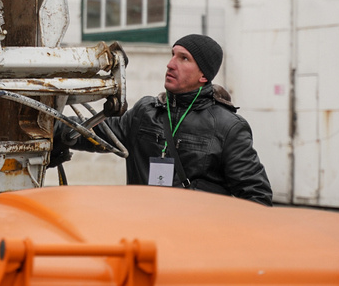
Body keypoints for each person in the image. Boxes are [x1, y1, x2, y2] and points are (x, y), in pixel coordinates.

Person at [55, 33, 273, 206]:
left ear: (204, 75)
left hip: (195, 244)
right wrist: (48, 124)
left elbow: (256, 198)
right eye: (172, 55)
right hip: (145, 236)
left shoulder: (229, 127)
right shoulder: (146, 112)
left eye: (184, 58)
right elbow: (96, 133)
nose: (170, 64)